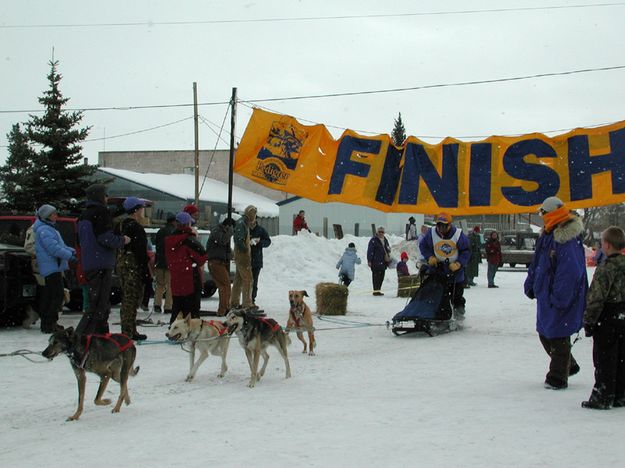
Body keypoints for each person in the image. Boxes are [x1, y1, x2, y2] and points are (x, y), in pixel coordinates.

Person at [524, 196, 587, 390]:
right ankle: (569, 364)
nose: (541, 216)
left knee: (558, 335)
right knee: (545, 332)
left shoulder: (565, 237)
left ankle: (557, 377)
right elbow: (537, 263)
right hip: (546, 294)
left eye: (542, 213)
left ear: (550, 213)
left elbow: (570, 272)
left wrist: (560, 297)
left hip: (560, 296)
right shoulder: (548, 235)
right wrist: (531, 284)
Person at [76, 184, 130, 336]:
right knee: (100, 304)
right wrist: (122, 240)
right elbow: (104, 238)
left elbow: (80, 240)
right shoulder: (101, 213)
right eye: (105, 195)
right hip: (101, 263)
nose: (107, 198)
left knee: (96, 303)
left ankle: (96, 333)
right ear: (100, 196)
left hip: (89, 263)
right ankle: (88, 335)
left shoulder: (84, 215)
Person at [581, 226, 625, 409]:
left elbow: (596, 297)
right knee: (622, 356)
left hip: (607, 316)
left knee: (604, 357)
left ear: (607, 245)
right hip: (623, 314)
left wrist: (589, 321)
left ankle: (603, 395)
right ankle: (620, 394)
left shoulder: (606, 268)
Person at [33, 204, 76, 333]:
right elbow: (53, 249)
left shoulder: (49, 229)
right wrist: (69, 256)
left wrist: (70, 251)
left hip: (53, 267)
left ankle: (49, 323)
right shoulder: (45, 230)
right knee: (55, 296)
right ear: (47, 216)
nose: (56, 216)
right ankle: (49, 324)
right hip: (51, 267)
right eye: (53, 214)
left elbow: (59, 245)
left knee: (52, 295)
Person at [419, 213, 470, 317]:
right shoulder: (431, 233)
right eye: (439, 225)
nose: (441, 228)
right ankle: (441, 315)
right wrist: (429, 257)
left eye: (444, 225)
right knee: (440, 295)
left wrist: (459, 263)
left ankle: (459, 314)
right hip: (438, 270)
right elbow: (423, 246)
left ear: (449, 225)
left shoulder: (458, 235)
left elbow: (466, 251)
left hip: (455, 272)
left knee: (457, 296)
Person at [166, 212, 208, 324]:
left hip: (176, 280)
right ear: (187, 224)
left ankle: (174, 330)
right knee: (193, 311)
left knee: (177, 308)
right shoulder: (189, 240)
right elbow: (202, 257)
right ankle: (192, 333)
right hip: (191, 280)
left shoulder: (170, 240)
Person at [117, 197, 149, 340]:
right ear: (136, 210)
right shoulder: (135, 227)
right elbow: (140, 250)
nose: (143, 211)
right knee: (131, 299)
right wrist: (146, 271)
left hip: (122, 263)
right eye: (142, 208)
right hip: (133, 265)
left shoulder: (121, 225)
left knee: (127, 298)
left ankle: (129, 329)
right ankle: (128, 332)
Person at [206, 217, 235, 316]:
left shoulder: (220, 232)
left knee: (224, 286)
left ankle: (224, 308)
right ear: (227, 226)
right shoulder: (217, 231)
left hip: (218, 263)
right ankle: (223, 309)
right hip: (215, 263)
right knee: (225, 285)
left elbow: (225, 248)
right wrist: (230, 232)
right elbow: (222, 241)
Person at [230, 205, 257, 310]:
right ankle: (247, 303)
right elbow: (238, 240)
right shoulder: (242, 224)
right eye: (254, 214)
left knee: (238, 280)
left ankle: (234, 302)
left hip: (241, 255)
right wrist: (245, 249)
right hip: (242, 256)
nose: (254, 217)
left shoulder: (243, 223)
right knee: (248, 279)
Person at [153, 212, 176, 315]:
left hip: (159, 261)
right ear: (174, 221)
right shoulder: (173, 232)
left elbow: (156, 244)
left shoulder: (160, 231)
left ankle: (157, 305)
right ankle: (168, 306)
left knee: (159, 285)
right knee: (170, 285)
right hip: (169, 262)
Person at [249, 218, 271, 305]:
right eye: (251, 219)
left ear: (256, 220)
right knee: (246, 282)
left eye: (253, 219)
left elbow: (268, 242)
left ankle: (252, 300)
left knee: (254, 282)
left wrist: (259, 242)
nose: (251, 221)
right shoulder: (245, 228)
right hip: (246, 260)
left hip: (256, 260)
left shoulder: (261, 230)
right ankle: (246, 300)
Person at [367, 225, 391, 296]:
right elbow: (370, 251)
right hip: (375, 261)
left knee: (381, 276)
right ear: (377, 232)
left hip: (383, 261)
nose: (381, 233)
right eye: (379, 232)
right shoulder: (373, 240)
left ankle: (378, 290)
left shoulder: (385, 240)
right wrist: (369, 260)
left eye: (382, 232)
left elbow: (388, 249)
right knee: (375, 277)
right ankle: (375, 290)